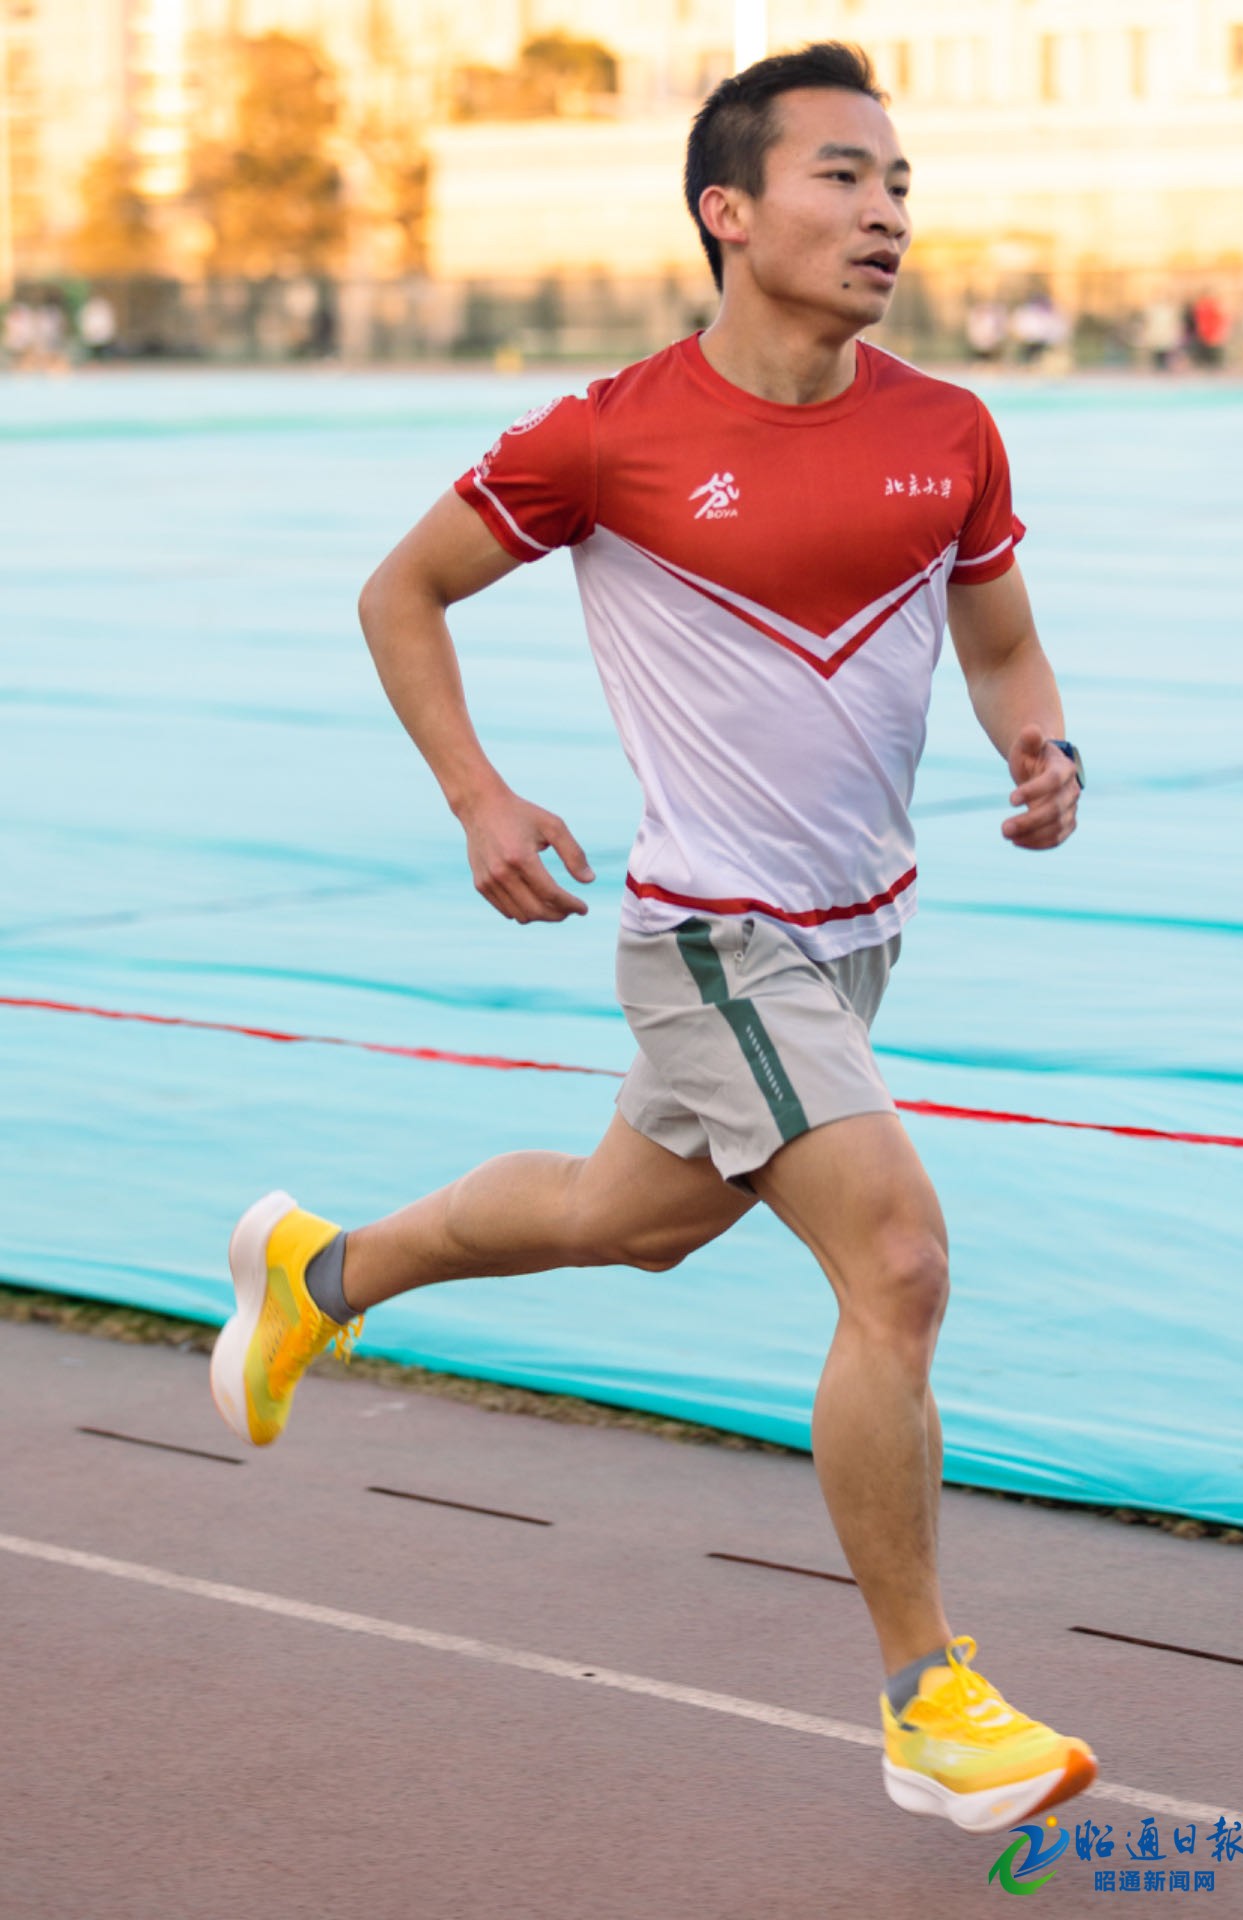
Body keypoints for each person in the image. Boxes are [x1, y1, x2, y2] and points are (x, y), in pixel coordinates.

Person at [210, 41, 1093, 1837]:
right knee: (898, 1263)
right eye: (843, 176)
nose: (887, 214)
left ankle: (320, 1273)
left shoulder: (948, 430)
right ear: (728, 210)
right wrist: (479, 794)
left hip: (858, 938)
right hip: (715, 938)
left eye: (900, 184)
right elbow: (401, 591)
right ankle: (927, 1699)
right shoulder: (610, 435)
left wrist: (1040, 743)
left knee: (626, 1221)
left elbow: (1001, 635)